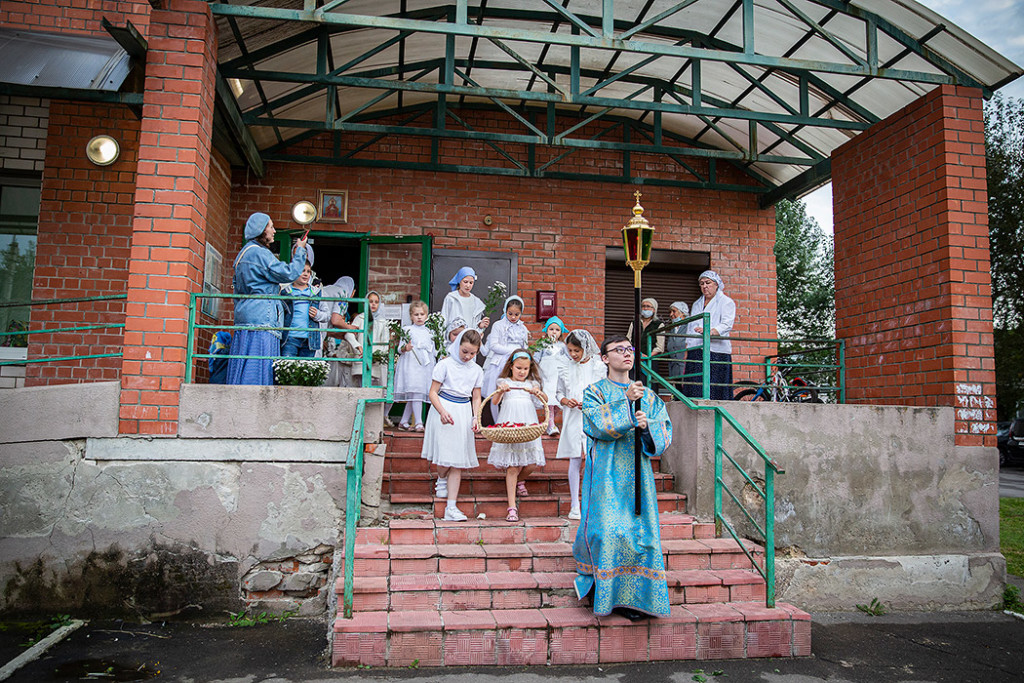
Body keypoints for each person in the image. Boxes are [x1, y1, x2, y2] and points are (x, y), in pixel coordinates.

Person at [573, 335, 672, 621]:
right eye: (619, 350)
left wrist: (647, 426)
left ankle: (637, 597)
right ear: (605, 358)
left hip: (638, 474)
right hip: (606, 474)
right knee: (607, 531)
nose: (627, 353)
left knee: (640, 535)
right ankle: (602, 590)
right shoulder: (595, 392)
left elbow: (664, 430)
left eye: (630, 349)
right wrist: (626, 404)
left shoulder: (648, 395)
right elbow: (594, 424)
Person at [227, 212, 308, 385]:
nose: (274, 231)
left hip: (246, 316)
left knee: (245, 366)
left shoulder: (243, 254)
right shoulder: (259, 253)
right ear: (261, 229)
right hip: (262, 319)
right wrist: (300, 251)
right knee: (258, 370)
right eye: (271, 227)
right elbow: (289, 273)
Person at [422, 329, 484, 522]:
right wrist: (442, 411)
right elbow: (433, 392)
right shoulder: (444, 365)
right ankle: (441, 478)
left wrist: (476, 417)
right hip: (444, 408)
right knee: (444, 457)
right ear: (457, 346)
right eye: (465, 351)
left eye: (472, 353)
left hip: (463, 411)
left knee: (457, 460)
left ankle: (451, 507)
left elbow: (476, 396)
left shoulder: (477, 370)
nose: (468, 356)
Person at [486, 350, 547, 522]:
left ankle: (517, 481)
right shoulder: (504, 381)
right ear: (511, 366)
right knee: (512, 466)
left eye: (525, 369)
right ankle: (512, 507)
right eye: (519, 368)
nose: (522, 372)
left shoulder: (532, 383)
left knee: (532, 464)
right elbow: (495, 402)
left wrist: (538, 392)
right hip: (510, 424)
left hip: (528, 424)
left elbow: (545, 400)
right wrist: (501, 391)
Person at [555, 329, 606, 520]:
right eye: (570, 350)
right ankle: (574, 505)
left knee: (594, 459)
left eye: (576, 350)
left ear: (585, 348)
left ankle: (593, 502)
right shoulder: (565, 366)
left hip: (593, 418)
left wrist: (592, 403)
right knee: (575, 458)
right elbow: (559, 393)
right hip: (573, 417)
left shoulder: (598, 366)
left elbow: (605, 393)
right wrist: (565, 401)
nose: (573, 354)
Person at [682, 270, 736, 401]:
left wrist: (710, 331)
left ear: (716, 284)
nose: (705, 286)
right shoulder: (697, 304)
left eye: (708, 283)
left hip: (716, 350)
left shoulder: (726, 302)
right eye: (701, 284)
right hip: (696, 349)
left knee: (714, 387)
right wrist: (687, 346)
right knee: (694, 385)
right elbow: (691, 326)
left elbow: (727, 324)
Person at [481, 295, 529, 421]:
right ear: (505, 311)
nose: (513, 317)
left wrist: (523, 355)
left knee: (514, 394)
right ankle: (497, 422)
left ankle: (513, 421)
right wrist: (512, 351)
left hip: (517, 362)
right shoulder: (498, 325)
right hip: (500, 362)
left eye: (517, 314)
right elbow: (494, 345)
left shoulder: (523, 328)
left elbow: (525, 346)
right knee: (497, 393)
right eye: (510, 313)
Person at [393, 300, 435, 431]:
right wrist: (406, 348)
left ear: (426, 315)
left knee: (417, 393)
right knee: (416, 392)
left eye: (422, 314)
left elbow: (433, 350)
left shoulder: (430, 331)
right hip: (411, 365)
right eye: (416, 314)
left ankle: (403, 421)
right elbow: (399, 349)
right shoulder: (407, 330)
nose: (419, 317)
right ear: (411, 316)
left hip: (425, 365)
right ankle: (418, 422)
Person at [281, 246, 328, 358]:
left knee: (306, 367)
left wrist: (317, 315)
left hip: (309, 340)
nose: (306, 274)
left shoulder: (316, 292)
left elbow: (327, 315)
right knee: (288, 365)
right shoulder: (286, 291)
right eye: (302, 271)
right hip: (290, 337)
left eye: (308, 271)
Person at [345, 290, 390, 386]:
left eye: (376, 302)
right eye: (370, 301)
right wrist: (357, 346)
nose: (373, 304)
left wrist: (378, 355)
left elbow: (385, 341)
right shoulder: (360, 318)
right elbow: (349, 334)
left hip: (375, 360)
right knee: (362, 385)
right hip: (361, 357)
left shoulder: (382, 321)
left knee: (375, 387)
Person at [320, 276, 358, 387]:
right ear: (352, 291)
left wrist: (337, 334)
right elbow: (336, 320)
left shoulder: (326, 289)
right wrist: (349, 327)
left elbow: (325, 327)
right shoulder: (342, 293)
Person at [535, 316, 569, 436]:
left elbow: (568, 359)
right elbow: (536, 359)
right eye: (551, 329)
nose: (554, 332)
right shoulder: (542, 344)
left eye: (557, 330)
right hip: (546, 376)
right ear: (546, 331)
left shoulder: (563, 346)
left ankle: (550, 421)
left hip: (558, 377)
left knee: (557, 402)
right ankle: (550, 424)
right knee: (549, 400)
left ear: (561, 332)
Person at [440, 266, 490, 331]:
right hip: (454, 335)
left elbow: (475, 324)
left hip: (470, 336)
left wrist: (480, 325)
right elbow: (444, 319)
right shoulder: (451, 298)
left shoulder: (476, 302)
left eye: (471, 283)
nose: (468, 285)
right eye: (465, 282)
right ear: (459, 281)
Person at [626, 297, 666, 363]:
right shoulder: (635, 323)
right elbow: (628, 340)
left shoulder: (659, 324)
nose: (645, 308)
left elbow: (660, 347)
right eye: (643, 306)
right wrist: (635, 352)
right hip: (634, 357)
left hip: (650, 359)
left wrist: (647, 356)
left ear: (654, 310)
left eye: (648, 306)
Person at [664, 301, 690, 392]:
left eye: (674, 311)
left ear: (682, 313)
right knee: (677, 389)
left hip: (684, 363)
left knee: (686, 388)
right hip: (674, 364)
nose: (671, 314)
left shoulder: (689, 326)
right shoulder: (673, 328)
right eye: (670, 312)